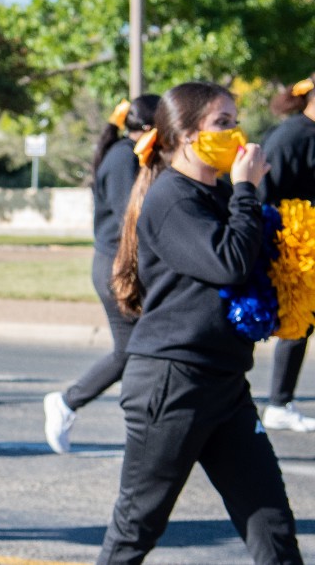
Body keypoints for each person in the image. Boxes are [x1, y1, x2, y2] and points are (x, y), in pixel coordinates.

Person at [98, 82, 301, 564]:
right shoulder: (171, 198)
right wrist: (248, 188)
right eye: (223, 123)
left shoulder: (216, 193)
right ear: (187, 136)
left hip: (224, 380)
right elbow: (228, 261)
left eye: (235, 120)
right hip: (173, 381)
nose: (236, 132)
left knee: (270, 525)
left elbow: (249, 250)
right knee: (136, 529)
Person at [44, 94, 159, 453]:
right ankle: (67, 401)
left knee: (141, 349)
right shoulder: (125, 158)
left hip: (119, 265)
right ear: (148, 129)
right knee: (132, 350)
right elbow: (135, 217)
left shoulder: (127, 154)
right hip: (117, 268)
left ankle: (145, 426)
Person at [258, 73, 315, 432]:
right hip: (287, 251)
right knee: (291, 321)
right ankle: (275, 402)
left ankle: (279, 401)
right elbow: (263, 194)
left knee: (302, 323)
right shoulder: (290, 137)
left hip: (308, 250)